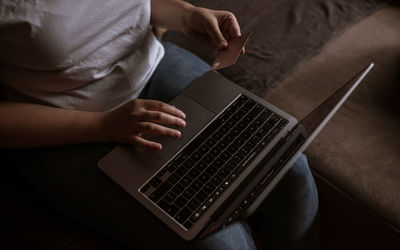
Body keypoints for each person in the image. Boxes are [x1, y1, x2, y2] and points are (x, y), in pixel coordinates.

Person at [0, 0, 319, 249]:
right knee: (218, 241)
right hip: (67, 128)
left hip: (152, 67)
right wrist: (104, 126)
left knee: (291, 167)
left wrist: (187, 14)